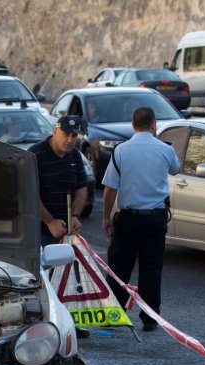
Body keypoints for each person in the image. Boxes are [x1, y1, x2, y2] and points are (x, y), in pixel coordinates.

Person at [100, 107, 180, 332]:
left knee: (119, 268)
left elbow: (110, 189)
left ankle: (115, 315)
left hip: (127, 219)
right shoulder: (165, 150)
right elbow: (176, 169)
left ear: (133, 124)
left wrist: (106, 216)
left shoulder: (121, 151)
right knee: (151, 269)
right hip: (155, 219)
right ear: (153, 124)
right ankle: (150, 318)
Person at [28, 115, 88, 246]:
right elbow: (29, 194)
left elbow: (81, 188)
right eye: (66, 134)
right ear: (55, 131)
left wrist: (75, 216)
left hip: (68, 233)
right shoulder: (35, 155)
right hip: (40, 233)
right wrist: (50, 221)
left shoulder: (75, 155)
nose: (70, 139)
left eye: (74, 135)